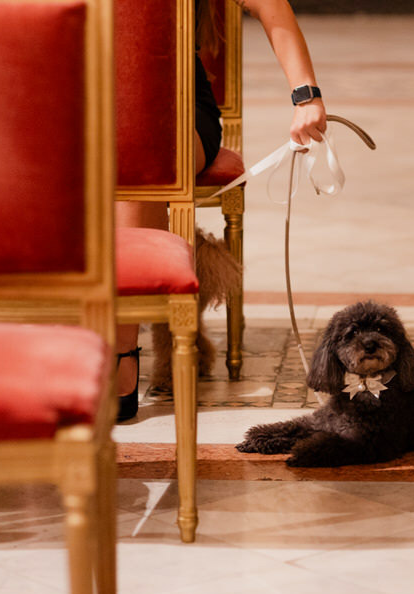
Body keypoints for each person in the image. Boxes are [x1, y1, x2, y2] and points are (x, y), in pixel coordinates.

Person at [116, 0, 328, 421]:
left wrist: (307, 97)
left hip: (174, 105)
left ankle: (119, 354)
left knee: (137, 146)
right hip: (71, 90)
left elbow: (272, 8)